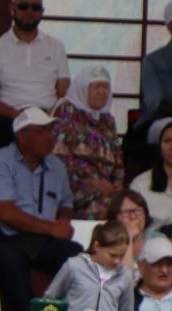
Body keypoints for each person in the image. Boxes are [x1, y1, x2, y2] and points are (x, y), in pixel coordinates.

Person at [0, 107, 81, 311]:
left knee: (75, 257)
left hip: (40, 236)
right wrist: (52, 229)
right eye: (42, 131)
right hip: (1, 234)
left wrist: (63, 220)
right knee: (11, 261)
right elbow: (6, 213)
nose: (51, 137)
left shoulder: (56, 166)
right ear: (22, 135)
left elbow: (65, 203)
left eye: (51, 130)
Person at [0, 0, 70, 163]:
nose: (29, 11)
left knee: (71, 133)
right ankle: (0, 184)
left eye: (35, 7)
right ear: (12, 8)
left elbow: (64, 93)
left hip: (47, 116)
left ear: (42, 11)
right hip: (11, 116)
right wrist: (19, 117)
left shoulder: (56, 47)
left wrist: (46, 117)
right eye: (23, 6)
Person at [54, 67, 124, 222]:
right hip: (75, 186)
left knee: (129, 206)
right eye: (96, 87)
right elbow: (59, 159)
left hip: (106, 187)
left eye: (106, 87)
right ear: (82, 88)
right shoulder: (67, 111)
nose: (102, 92)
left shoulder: (108, 119)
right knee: (111, 211)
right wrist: (94, 182)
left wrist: (117, 182)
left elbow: (117, 156)